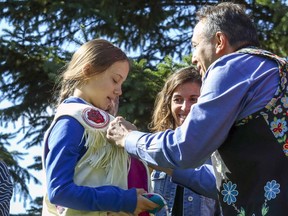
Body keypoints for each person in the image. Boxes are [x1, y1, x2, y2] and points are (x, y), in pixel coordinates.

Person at [106, 2, 288, 215]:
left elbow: (184, 148)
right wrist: (166, 166)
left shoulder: (230, 66)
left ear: (219, 41)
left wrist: (128, 137)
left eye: (195, 45)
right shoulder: (274, 69)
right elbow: (221, 183)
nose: (193, 58)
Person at [42, 38, 158, 215]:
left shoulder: (105, 124)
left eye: (121, 83)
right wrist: (122, 200)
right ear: (88, 71)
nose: (119, 91)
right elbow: (59, 190)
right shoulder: (70, 121)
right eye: (114, 80)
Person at [149, 66, 219, 215]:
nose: (185, 107)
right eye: (178, 100)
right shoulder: (154, 147)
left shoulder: (218, 152)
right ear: (169, 104)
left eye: (193, 99)